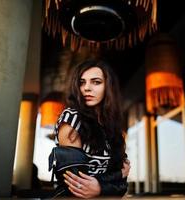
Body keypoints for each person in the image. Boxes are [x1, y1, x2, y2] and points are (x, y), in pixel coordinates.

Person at [51, 59, 130, 198]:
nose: (87, 88)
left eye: (96, 82)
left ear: (108, 86)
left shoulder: (112, 125)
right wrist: (117, 175)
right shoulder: (72, 118)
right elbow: (78, 185)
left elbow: (123, 186)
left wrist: (100, 187)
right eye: (82, 82)